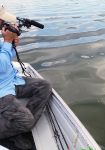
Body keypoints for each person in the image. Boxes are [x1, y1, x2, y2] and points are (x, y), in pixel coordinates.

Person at [0, 8, 52, 149]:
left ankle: (20, 128)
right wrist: (7, 41)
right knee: (25, 120)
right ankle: (19, 127)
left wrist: (11, 45)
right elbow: (2, 66)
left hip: (10, 82)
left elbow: (4, 53)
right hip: (1, 91)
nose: (5, 24)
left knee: (44, 86)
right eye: (3, 21)